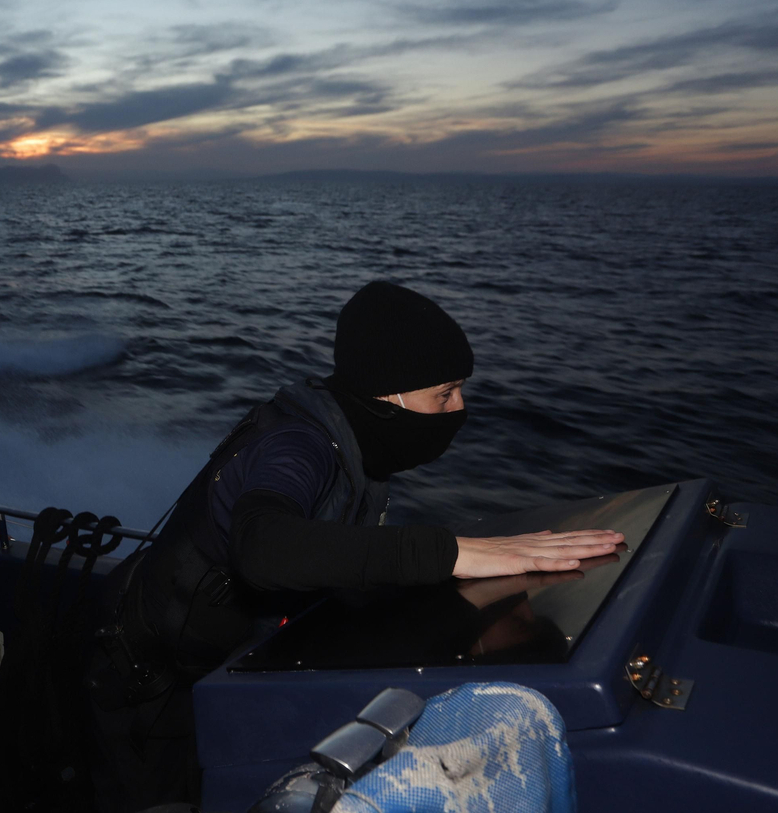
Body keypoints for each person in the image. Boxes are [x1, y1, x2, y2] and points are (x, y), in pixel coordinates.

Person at [86, 280, 623, 813]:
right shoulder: (298, 446)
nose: (460, 408)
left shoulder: (355, 439)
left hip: (221, 663)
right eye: (445, 394)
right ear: (389, 395)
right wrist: (454, 553)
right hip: (149, 689)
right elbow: (264, 548)